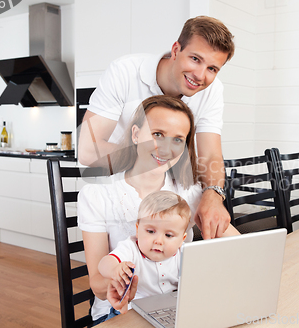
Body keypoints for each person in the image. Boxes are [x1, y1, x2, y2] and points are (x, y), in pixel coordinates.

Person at [77, 95, 239, 325]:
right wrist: (116, 285)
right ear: (135, 134)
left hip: (180, 307)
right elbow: (97, 283)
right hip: (121, 312)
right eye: (157, 134)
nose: (166, 148)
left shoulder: (190, 194)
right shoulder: (98, 195)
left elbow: (239, 246)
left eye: (177, 140)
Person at [78, 15, 235, 240]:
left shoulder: (212, 90)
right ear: (175, 50)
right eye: (194, 59)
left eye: (212, 68)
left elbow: (210, 155)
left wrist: (214, 194)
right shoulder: (124, 72)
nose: (200, 75)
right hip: (124, 196)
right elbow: (87, 151)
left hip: (171, 191)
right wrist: (155, 159)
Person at [98, 191, 190, 305]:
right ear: (137, 229)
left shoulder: (184, 253)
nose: (158, 241)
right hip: (134, 310)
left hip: (171, 310)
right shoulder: (131, 249)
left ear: (182, 239)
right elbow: (104, 263)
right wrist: (114, 270)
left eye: (168, 235)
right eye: (151, 231)